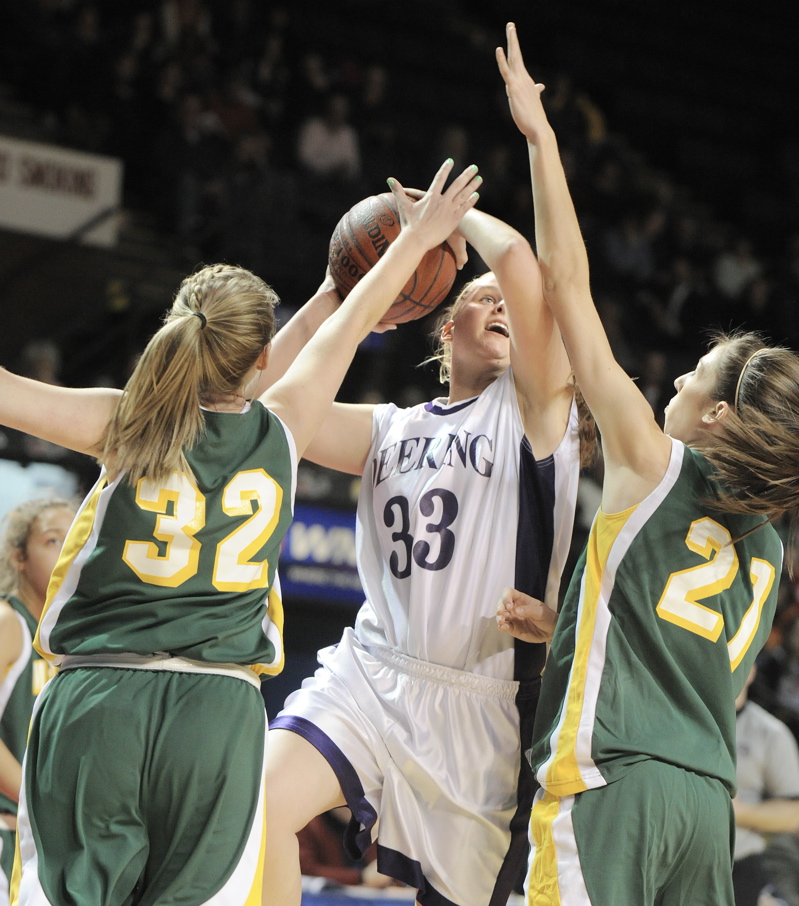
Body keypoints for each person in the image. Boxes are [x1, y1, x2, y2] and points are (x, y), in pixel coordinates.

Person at [0, 158, 481, 906]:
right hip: (215, 714)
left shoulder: (122, 422)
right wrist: (395, 255)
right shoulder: (282, 427)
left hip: (100, 697)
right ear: (259, 360)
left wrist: (357, 282)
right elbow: (350, 327)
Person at [495, 21, 799, 906]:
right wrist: (573, 630)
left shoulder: (654, 458)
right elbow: (696, 670)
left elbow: (566, 286)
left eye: (693, 375)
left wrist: (542, 140)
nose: (671, 376)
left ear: (716, 416)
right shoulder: (770, 549)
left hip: (614, 785)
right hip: (703, 805)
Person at [263, 196, 596, 906]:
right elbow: (268, 398)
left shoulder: (536, 412)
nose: (503, 302)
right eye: (481, 299)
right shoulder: (386, 429)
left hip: (485, 710)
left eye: (508, 302)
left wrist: (444, 219)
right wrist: (336, 294)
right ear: (446, 326)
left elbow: (520, 265)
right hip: (371, 673)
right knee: (252, 806)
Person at [0, 498, 76, 906]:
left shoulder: (77, 643)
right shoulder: (8, 622)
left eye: (76, 538)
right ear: (19, 558)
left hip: (47, 842)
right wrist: (40, 804)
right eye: (52, 540)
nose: (68, 550)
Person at [733, 667, 799, 906]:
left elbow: (793, 814)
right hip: (669, 860)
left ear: (752, 671)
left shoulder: (770, 732)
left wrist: (738, 812)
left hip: (737, 865)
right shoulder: (679, 721)